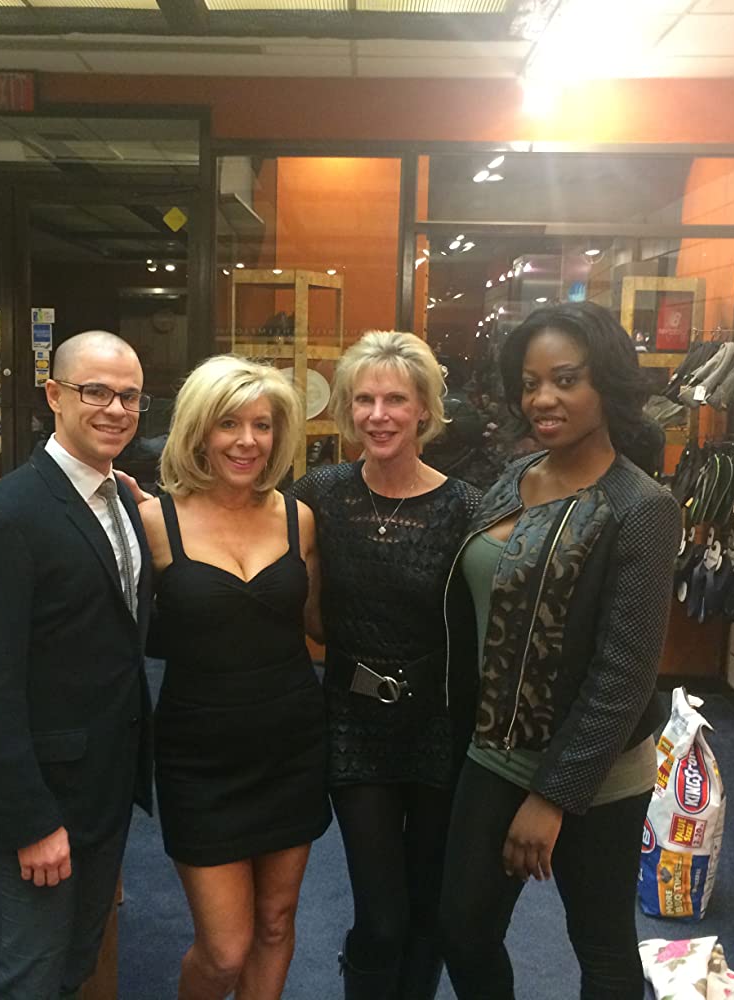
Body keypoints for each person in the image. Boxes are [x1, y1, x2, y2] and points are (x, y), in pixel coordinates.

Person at [438, 302, 680, 1000]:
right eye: (530, 383)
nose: (542, 398)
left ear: (606, 383)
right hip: (493, 749)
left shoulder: (640, 506)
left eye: (565, 380)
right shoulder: (512, 478)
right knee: (462, 929)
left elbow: (624, 672)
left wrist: (552, 797)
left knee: (601, 948)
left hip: (596, 770)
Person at [0, 330, 154, 999]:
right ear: (54, 395)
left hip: (101, 786)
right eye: (96, 391)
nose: (115, 409)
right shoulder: (5, 515)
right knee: (27, 982)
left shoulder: (121, 500)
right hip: (38, 802)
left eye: (129, 396)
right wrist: (31, 822)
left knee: (72, 967)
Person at [290, 331, 480, 1000]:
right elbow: (250, 537)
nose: (378, 415)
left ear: (424, 408)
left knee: (429, 908)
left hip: (437, 725)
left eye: (396, 399)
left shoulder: (466, 507)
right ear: (346, 408)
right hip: (352, 724)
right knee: (381, 915)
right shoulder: (319, 493)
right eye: (363, 400)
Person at [138, 354, 331, 1000]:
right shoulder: (154, 522)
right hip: (200, 759)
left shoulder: (298, 518)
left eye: (262, 425)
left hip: (292, 747)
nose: (247, 441)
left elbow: (321, 622)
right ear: (199, 430)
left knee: (275, 923)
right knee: (222, 951)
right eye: (228, 424)